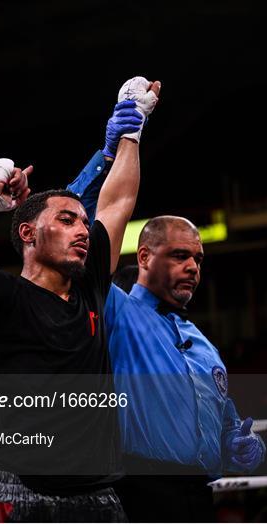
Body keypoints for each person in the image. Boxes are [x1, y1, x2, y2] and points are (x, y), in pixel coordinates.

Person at [0, 77, 161, 522]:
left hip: (98, 497)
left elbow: (118, 201)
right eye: (67, 219)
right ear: (27, 234)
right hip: (16, 493)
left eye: (83, 221)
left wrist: (132, 129)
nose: (83, 228)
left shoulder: (90, 283)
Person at [67, 113, 266, 522]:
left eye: (198, 258)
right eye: (180, 255)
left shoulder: (203, 344)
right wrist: (112, 150)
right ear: (143, 257)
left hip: (198, 495)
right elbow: (79, 226)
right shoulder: (116, 311)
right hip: (137, 490)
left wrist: (236, 444)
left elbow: (224, 422)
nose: (193, 266)